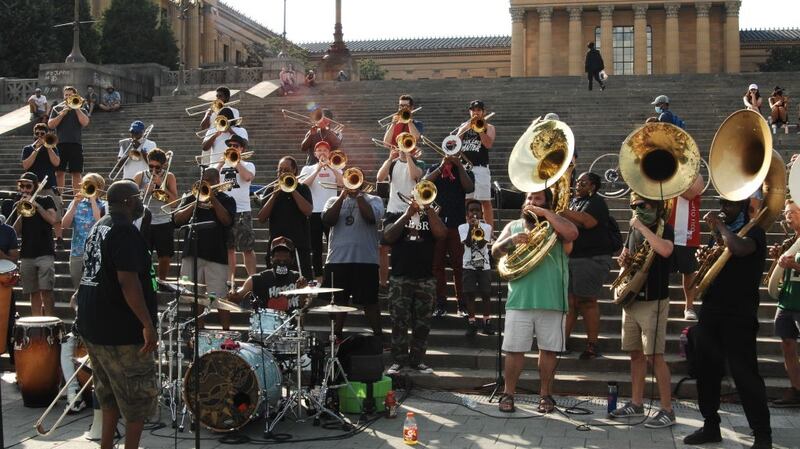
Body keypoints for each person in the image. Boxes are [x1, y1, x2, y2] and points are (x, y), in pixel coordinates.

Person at [74, 180, 157, 449]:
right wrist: (147, 324)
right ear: (128, 201)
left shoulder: (100, 226)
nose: (141, 202)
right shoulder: (124, 231)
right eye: (138, 197)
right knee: (137, 399)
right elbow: (127, 282)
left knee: (108, 395)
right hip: (119, 329)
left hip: (94, 325)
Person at [684, 197, 772, 449]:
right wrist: (705, 256)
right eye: (722, 205)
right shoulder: (722, 233)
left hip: (739, 314)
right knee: (707, 372)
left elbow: (739, 248)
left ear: (743, 208)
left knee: (746, 376)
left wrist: (719, 229)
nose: (723, 210)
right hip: (712, 311)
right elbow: (717, 262)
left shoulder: (754, 231)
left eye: (730, 206)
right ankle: (710, 425)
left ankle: (762, 435)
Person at [492, 189, 578, 413]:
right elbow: (495, 251)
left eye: (537, 198)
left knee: (548, 351)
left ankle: (545, 395)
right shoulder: (513, 226)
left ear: (547, 203)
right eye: (529, 198)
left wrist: (546, 214)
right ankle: (508, 393)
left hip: (553, 300)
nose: (531, 201)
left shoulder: (556, 228)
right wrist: (511, 241)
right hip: (520, 299)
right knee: (514, 350)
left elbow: (572, 234)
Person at [609, 194, 676, 428]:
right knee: (635, 354)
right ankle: (636, 403)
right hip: (633, 298)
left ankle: (667, 409)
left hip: (654, 300)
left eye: (642, 205)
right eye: (633, 206)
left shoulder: (663, 228)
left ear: (655, 206)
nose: (637, 209)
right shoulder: (633, 228)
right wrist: (624, 259)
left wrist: (641, 228)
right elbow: (628, 257)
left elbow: (665, 250)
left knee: (654, 356)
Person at [382, 186, 447, 375]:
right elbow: (387, 237)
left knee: (423, 323)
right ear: (408, 198)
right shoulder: (394, 215)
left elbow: (442, 234)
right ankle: (399, 361)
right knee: (398, 322)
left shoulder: (431, 216)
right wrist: (407, 214)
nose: (417, 199)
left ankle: (418, 360)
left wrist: (429, 210)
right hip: (400, 277)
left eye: (421, 196)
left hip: (425, 278)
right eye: (415, 196)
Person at [321, 174, 385, 340]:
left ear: (362, 182)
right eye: (350, 178)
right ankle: (336, 337)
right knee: (338, 302)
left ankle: (378, 336)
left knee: (370, 302)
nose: (352, 182)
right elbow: (328, 220)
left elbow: (371, 218)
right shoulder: (333, 201)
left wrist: (358, 196)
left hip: (366, 260)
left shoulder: (374, 199)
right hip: (337, 260)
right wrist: (342, 196)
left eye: (356, 179)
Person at [173, 168, 236, 329]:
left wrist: (213, 199)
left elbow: (227, 221)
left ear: (217, 181)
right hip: (192, 253)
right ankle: (198, 333)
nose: (207, 183)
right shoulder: (191, 197)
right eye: (204, 180)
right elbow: (177, 219)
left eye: (210, 180)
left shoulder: (226, 199)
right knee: (194, 296)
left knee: (220, 298)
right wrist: (196, 201)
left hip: (217, 254)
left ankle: (226, 334)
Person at [561, 172, 614, 359]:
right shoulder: (574, 202)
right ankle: (562, 342)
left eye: (583, 182)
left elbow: (587, 222)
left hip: (592, 258)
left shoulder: (597, 202)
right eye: (578, 182)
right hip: (574, 258)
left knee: (587, 301)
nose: (578, 185)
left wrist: (561, 210)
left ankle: (592, 344)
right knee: (570, 302)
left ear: (593, 186)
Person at [426, 154, 474, 317]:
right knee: (436, 266)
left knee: (459, 266)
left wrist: (459, 166)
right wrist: (441, 167)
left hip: (457, 223)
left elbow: (469, 188)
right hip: (437, 223)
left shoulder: (464, 170)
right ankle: (440, 303)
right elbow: (423, 184)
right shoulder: (434, 168)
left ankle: (462, 304)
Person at [4, 173, 58, 316]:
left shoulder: (46, 200)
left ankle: (50, 324)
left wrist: (37, 206)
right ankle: (36, 326)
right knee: (32, 292)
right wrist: (21, 211)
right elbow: (14, 232)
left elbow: (53, 220)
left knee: (46, 290)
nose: (25, 189)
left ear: (35, 186)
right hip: (27, 254)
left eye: (28, 186)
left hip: (45, 252)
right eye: (21, 186)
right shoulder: (18, 204)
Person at [376, 136, 424, 293]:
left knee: (409, 247)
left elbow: (415, 176)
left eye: (407, 143)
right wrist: (390, 158)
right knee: (383, 246)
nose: (404, 146)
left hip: (411, 212)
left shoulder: (418, 163)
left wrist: (408, 155)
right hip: (392, 211)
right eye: (402, 143)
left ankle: (408, 281)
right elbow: (379, 177)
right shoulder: (393, 164)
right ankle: (383, 284)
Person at [766, 201, 800, 407]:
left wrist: (794, 264)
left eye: (794, 212)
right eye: (787, 213)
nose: (789, 216)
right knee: (787, 345)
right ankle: (796, 389)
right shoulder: (790, 241)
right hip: (786, 302)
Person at [257, 156, 314, 278]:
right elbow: (261, 218)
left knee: (301, 283)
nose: (282, 173)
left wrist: (292, 189)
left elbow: (308, 211)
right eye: (280, 170)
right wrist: (274, 196)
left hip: (298, 245)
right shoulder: (271, 190)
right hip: (277, 246)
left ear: (294, 171)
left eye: (286, 170)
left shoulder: (302, 188)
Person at [227, 237, 308, 317]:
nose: (282, 261)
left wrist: (303, 293)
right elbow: (238, 296)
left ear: (292, 259)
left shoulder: (298, 278)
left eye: (285, 257)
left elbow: (303, 305)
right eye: (278, 257)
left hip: (292, 325)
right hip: (266, 326)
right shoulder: (257, 279)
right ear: (271, 259)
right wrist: (233, 295)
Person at [300, 141, 343, 282]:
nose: (322, 152)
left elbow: (342, 184)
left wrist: (331, 167)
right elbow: (303, 186)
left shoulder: (337, 166)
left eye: (325, 150)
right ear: (315, 153)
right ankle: (318, 278)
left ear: (329, 153)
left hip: (331, 211)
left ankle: (334, 276)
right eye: (319, 150)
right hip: (314, 212)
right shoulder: (308, 168)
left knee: (334, 245)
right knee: (316, 248)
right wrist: (318, 169)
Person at [216, 133, 257, 282]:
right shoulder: (221, 164)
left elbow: (247, 177)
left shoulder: (248, 165)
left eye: (236, 146)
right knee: (229, 249)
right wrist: (221, 162)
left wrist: (237, 161)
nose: (232, 148)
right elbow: (211, 177)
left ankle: (253, 281)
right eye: (230, 146)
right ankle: (230, 282)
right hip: (225, 212)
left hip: (242, 211)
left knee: (247, 248)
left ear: (242, 148)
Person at [133, 149, 177, 280]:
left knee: (165, 256)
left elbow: (174, 202)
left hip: (163, 221)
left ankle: (161, 280)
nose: (153, 170)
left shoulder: (169, 176)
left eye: (157, 167)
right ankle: (144, 281)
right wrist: (143, 191)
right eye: (150, 166)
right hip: (144, 221)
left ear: (163, 165)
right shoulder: (140, 175)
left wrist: (161, 187)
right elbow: (132, 199)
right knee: (143, 254)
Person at [667, 175, 704, 320]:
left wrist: (668, 180)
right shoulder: (666, 171)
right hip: (666, 228)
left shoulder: (697, 176)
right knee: (662, 270)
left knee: (689, 271)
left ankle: (689, 307)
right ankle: (660, 304)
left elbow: (689, 194)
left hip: (688, 230)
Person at [22, 123, 64, 247]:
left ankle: (59, 239)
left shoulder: (52, 147)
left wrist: (48, 147)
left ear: (47, 134)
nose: (39, 136)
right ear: (34, 134)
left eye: (42, 134)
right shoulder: (28, 149)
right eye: (37, 133)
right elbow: (25, 165)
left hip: (49, 186)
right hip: (33, 188)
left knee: (56, 214)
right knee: (32, 214)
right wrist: (36, 149)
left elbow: (56, 163)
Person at [456, 100, 496, 229]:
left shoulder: (489, 127)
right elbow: (454, 144)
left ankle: (489, 232)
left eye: (478, 110)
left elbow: (488, 144)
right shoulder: (464, 126)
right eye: (473, 110)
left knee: (485, 201)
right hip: (465, 169)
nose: (476, 112)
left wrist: (479, 129)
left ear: (484, 112)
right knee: (466, 200)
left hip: (481, 168)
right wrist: (463, 129)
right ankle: (466, 230)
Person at [62, 173, 106, 289]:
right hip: (77, 252)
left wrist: (92, 199)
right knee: (78, 287)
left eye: (91, 185)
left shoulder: (104, 205)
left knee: (94, 289)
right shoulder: (75, 203)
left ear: (99, 187)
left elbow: (99, 222)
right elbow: (64, 225)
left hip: (96, 253)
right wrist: (75, 204)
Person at [47, 85, 90, 207]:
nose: (68, 97)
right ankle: (58, 198)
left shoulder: (81, 107)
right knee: (59, 172)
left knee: (76, 172)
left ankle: (77, 198)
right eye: (66, 95)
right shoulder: (57, 108)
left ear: (75, 95)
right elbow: (50, 125)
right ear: (63, 96)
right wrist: (62, 114)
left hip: (75, 144)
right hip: (60, 144)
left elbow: (85, 122)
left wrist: (76, 108)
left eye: (70, 95)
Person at [459, 199, 494, 337]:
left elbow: (480, 245)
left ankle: (487, 321)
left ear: (482, 212)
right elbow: (467, 243)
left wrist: (477, 227)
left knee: (486, 293)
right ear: (467, 213)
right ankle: (472, 322)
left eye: (477, 210)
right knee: (470, 294)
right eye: (471, 210)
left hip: (484, 265)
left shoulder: (487, 227)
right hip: (468, 265)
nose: (474, 213)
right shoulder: (462, 227)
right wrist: (471, 228)